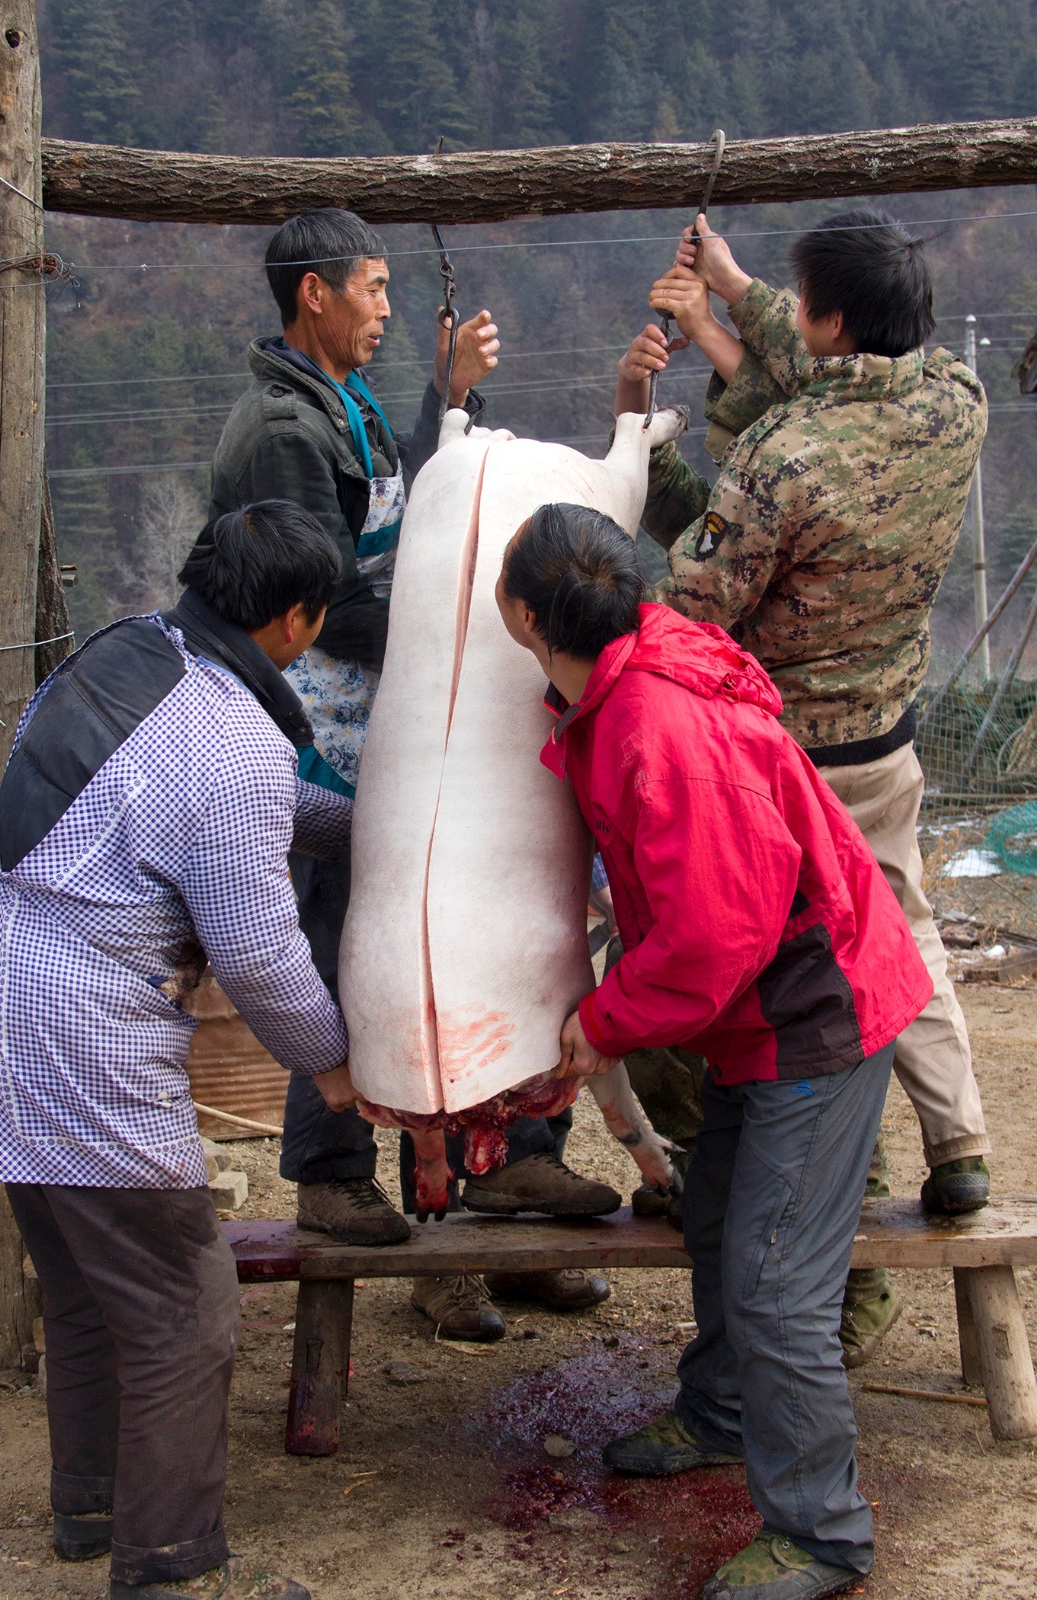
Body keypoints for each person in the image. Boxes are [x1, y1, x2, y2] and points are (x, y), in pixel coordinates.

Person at [0, 502, 360, 1600]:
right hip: (82, 1028)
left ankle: (93, 1506)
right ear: (297, 621)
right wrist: (336, 1060)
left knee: (85, 1286)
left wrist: (356, 821)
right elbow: (260, 957)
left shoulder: (127, 651)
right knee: (180, 1302)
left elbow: (185, 799)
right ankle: (171, 1569)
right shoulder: (233, 742)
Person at [496, 503, 932, 1600]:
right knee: (717, 1218)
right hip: (761, 1007)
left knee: (779, 1279)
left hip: (810, 1010)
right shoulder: (617, 682)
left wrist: (597, 1024)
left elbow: (710, 937)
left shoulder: (656, 725)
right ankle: (722, 1412)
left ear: (522, 613)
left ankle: (821, 1532)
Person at [211, 207, 615, 1334]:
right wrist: (465, 625)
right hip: (329, 733)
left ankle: (515, 1176)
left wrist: (447, 397)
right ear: (314, 297)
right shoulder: (279, 430)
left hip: (397, 723)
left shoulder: (340, 402)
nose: (385, 309)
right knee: (365, 961)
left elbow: (412, 510)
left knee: (484, 942)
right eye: (373, 289)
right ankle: (343, 1180)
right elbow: (320, 598)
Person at [615, 209, 992, 1363]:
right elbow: (821, 372)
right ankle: (960, 1144)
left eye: (791, 297)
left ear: (826, 318)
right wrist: (729, 293)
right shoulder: (953, 404)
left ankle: (823, 1262)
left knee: (805, 1000)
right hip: (887, 741)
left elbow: (697, 597)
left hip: (789, 769)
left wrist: (649, 431)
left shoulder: (786, 457)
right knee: (909, 940)